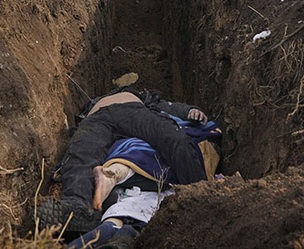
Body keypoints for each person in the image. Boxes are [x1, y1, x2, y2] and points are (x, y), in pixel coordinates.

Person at [36, 87, 209, 233]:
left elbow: (170, 107)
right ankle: (77, 209)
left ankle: (200, 195)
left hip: (131, 110)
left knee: (173, 139)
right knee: (80, 154)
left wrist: (189, 110)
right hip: (97, 118)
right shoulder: (91, 105)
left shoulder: (141, 96)